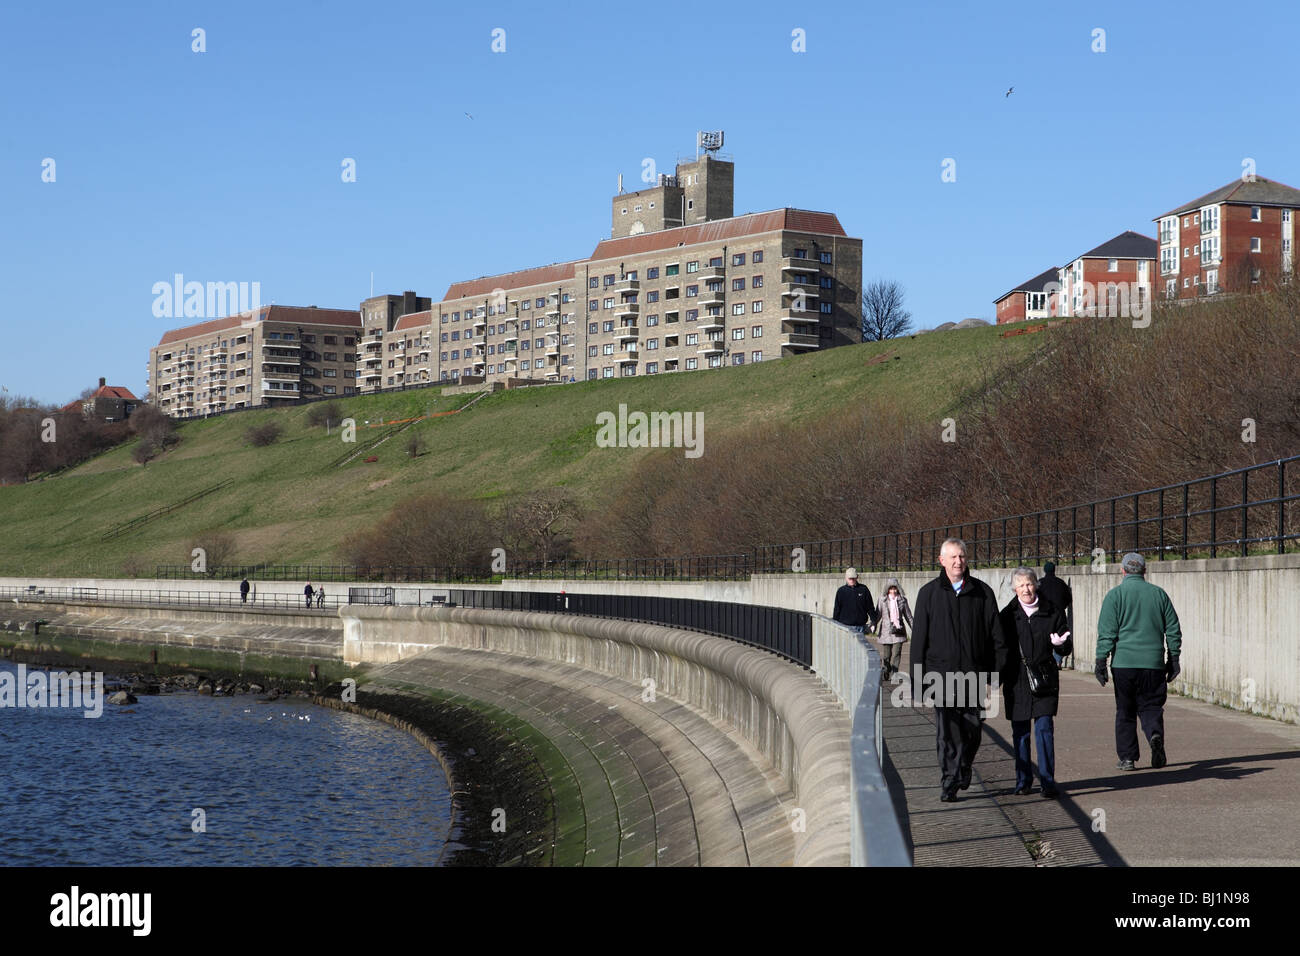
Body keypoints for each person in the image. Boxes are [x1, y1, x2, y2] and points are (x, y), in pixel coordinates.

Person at [911, 538, 1004, 802]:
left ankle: (964, 766)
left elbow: (996, 637)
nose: (957, 562)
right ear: (941, 560)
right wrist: (919, 682)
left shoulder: (983, 593)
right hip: (941, 676)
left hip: (973, 676)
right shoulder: (928, 594)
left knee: (973, 731)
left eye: (961, 556)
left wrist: (995, 673)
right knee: (948, 733)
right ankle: (949, 781)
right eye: (952, 557)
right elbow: (919, 640)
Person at [1095, 552, 1182, 772]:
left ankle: (1127, 758)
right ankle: (1154, 733)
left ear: (1122, 570)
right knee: (1151, 706)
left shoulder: (1115, 596)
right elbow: (1172, 629)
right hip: (1152, 663)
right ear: (1144, 571)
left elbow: (1107, 632)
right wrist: (1173, 658)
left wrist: (1100, 661)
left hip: (1124, 663)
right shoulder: (1159, 595)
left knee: (1125, 711)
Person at [998, 568, 1072, 798]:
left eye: (1029, 584)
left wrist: (1060, 644)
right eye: (1021, 586)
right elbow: (999, 649)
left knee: (1044, 730)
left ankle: (1048, 781)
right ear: (1014, 589)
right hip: (1016, 679)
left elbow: (1066, 645)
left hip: (1044, 678)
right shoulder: (1007, 615)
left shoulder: (1052, 611)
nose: (1026, 589)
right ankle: (1023, 781)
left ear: (1036, 584)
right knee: (1020, 733)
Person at [871, 578, 912, 681]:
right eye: (891, 589)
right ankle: (886, 670)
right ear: (887, 589)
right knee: (887, 654)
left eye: (895, 589)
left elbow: (908, 616)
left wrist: (915, 628)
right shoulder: (882, 600)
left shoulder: (902, 600)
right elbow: (878, 614)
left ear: (898, 589)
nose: (893, 591)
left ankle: (895, 673)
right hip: (886, 631)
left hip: (898, 630)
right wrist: (873, 624)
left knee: (897, 653)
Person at [1037, 561, 1073, 666]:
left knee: (1045, 637)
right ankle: (1057, 660)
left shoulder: (1040, 583)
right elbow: (1068, 599)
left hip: (1044, 615)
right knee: (1060, 637)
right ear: (1054, 570)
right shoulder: (1061, 583)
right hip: (1059, 614)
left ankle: (1046, 659)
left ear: (1044, 570)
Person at [832, 568, 879, 641]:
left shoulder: (863, 589)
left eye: (853, 578)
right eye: (850, 578)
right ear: (846, 578)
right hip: (845, 627)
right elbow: (837, 609)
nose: (852, 580)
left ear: (857, 577)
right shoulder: (841, 591)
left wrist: (873, 621)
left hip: (860, 627)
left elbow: (870, 607)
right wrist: (835, 624)